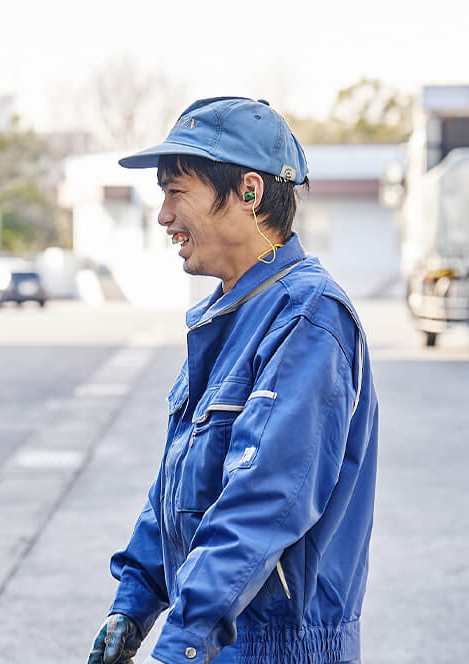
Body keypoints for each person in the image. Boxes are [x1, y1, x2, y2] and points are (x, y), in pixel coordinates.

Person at [87, 97, 378, 664]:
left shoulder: (307, 319)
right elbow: (178, 489)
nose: (163, 216)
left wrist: (181, 642)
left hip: (274, 647)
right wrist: (133, 602)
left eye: (176, 192)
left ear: (248, 191)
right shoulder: (231, 314)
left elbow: (261, 503)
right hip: (224, 641)